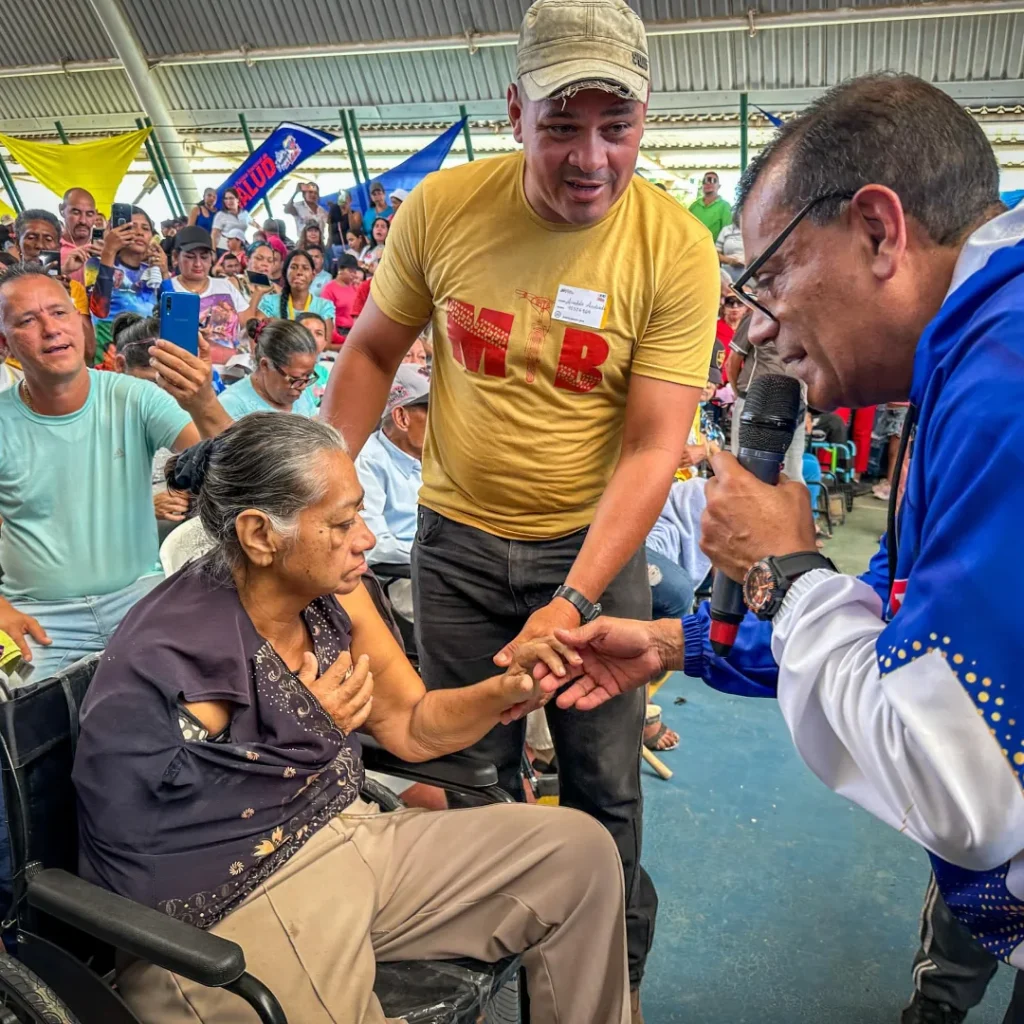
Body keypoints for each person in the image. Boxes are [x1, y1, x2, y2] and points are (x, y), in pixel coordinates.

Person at [540, 73, 1024, 1024]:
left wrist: (783, 569)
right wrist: (687, 643)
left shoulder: (1004, 382)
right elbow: (899, 616)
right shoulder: (972, 353)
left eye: (767, 277)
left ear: (879, 230)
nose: (756, 326)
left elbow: (962, 784)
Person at [321, 0, 720, 1012]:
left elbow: (651, 445)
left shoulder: (672, 247)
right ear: (514, 112)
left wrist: (579, 598)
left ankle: (604, 986)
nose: (591, 157)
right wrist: (318, 478)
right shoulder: (445, 209)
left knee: (605, 783)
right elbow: (371, 350)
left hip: (593, 553)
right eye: (561, 125)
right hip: (455, 546)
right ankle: (486, 977)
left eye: (615, 126)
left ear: (645, 121)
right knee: (467, 770)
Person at [72, 412, 631, 1024]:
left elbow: (413, 725)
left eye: (358, 513)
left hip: (346, 832)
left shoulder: (335, 590)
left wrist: (509, 689)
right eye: (342, 523)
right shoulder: (178, 650)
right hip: (230, 903)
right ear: (261, 535)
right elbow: (141, 842)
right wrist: (308, 735)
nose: (365, 538)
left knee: (576, 854)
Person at [0, 266, 231, 679]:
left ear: (81, 325)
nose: (51, 329)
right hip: (38, 615)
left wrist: (204, 401)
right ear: (5, 343)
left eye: (60, 312)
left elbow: (236, 462)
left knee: (204, 688)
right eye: (28, 321)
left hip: (138, 596)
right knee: (16, 719)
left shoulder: (133, 396)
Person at [110, 311, 192, 529]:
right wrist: (144, 506)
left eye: (172, 385)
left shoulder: (182, 412)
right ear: (120, 365)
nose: (164, 397)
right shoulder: (100, 418)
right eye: (153, 385)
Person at [354, 364, 427, 570]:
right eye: (436, 412)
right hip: (397, 576)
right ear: (401, 418)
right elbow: (374, 543)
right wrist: (436, 557)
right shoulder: (367, 460)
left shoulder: (435, 457)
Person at [162, 226, 266, 365]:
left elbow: (247, 321)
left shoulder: (225, 285)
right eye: (190, 257)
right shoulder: (168, 290)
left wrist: (258, 295)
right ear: (175, 257)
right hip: (191, 369)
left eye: (204, 257)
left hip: (235, 367)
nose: (198, 264)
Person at [725, 307, 806, 482]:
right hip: (756, 406)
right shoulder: (758, 314)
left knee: (792, 476)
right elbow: (732, 361)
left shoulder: (808, 317)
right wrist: (743, 395)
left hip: (794, 406)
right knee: (745, 475)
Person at [86, 207, 168, 357]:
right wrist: (109, 251)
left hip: (146, 359)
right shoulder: (96, 264)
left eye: (145, 228)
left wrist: (165, 273)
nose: (139, 232)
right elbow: (99, 310)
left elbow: (172, 315)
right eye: (131, 227)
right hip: (109, 359)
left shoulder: (151, 272)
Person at [218, 318, 319, 419]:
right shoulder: (231, 407)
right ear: (265, 365)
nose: (303, 387)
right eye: (295, 378)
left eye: (308, 376)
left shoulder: (300, 393)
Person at [258, 249, 335, 339]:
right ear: (285, 272)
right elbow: (256, 335)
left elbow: (325, 343)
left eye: (305, 268)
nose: (299, 272)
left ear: (313, 275)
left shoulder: (324, 306)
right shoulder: (269, 302)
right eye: (294, 267)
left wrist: (279, 325)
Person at [59, 187, 98, 281]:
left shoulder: (104, 249)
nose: (83, 221)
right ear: (61, 210)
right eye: (76, 213)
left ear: (96, 214)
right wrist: (63, 271)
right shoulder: (50, 246)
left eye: (89, 214)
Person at [320, 252, 360, 344]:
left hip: (354, 332)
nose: (353, 275)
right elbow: (327, 316)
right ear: (340, 270)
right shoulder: (329, 289)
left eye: (354, 272)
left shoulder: (355, 288)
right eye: (350, 271)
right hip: (339, 332)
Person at [688, 170, 732, 241]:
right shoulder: (694, 206)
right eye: (705, 181)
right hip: (693, 249)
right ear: (702, 185)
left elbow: (728, 233)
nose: (708, 183)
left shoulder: (725, 206)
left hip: (714, 250)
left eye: (713, 180)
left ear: (719, 186)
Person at [210, 187, 248, 254]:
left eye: (231, 198)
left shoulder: (243, 213)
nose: (228, 201)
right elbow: (214, 235)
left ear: (237, 199)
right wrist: (213, 252)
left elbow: (251, 222)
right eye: (226, 199)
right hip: (224, 250)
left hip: (240, 249)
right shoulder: (221, 215)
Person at [328, 189, 363, 260]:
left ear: (350, 200)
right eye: (341, 197)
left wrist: (348, 211)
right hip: (336, 248)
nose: (344, 200)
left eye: (346, 197)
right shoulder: (334, 214)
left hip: (350, 246)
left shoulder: (355, 214)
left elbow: (354, 228)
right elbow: (330, 230)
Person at [716, 211, 745, 281]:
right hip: (727, 270)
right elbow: (715, 254)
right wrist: (729, 261)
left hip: (748, 271)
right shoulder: (726, 230)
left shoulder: (755, 231)